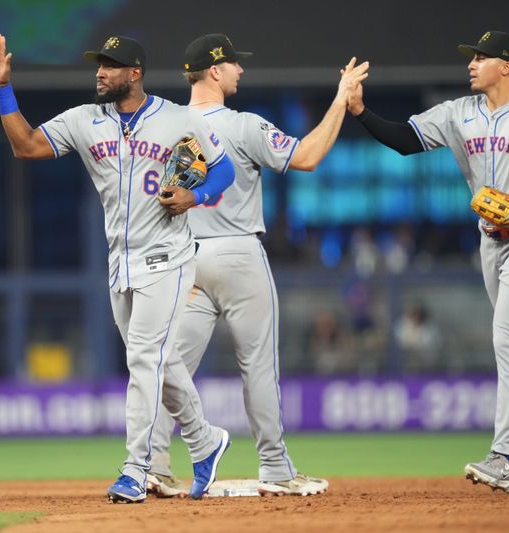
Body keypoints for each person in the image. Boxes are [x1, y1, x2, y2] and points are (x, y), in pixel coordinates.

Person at [0, 34, 235, 503]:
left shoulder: (178, 119)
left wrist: (195, 195)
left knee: (144, 360)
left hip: (169, 256)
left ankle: (135, 468)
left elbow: (222, 171)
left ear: (135, 73)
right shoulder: (85, 121)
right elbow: (26, 146)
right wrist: (4, 88)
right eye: (98, 64)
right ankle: (205, 442)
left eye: (112, 64)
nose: (100, 71)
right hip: (120, 262)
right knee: (161, 365)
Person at [347, 30, 509, 492]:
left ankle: (502, 457)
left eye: (482, 57)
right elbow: (403, 140)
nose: (471, 63)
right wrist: (359, 111)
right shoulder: (459, 114)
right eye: (471, 57)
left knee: (508, 339)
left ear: (508, 66)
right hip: (491, 243)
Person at [146, 33, 368, 497]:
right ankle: (275, 468)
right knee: (257, 366)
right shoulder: (243, 125)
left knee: (170, 365)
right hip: (237, 253)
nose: (239, 71)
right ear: (213, 71)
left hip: (184, 258)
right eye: (232, 64)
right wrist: (339, 101)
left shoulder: (163, 124)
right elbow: (305, 157)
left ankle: (156, 466)